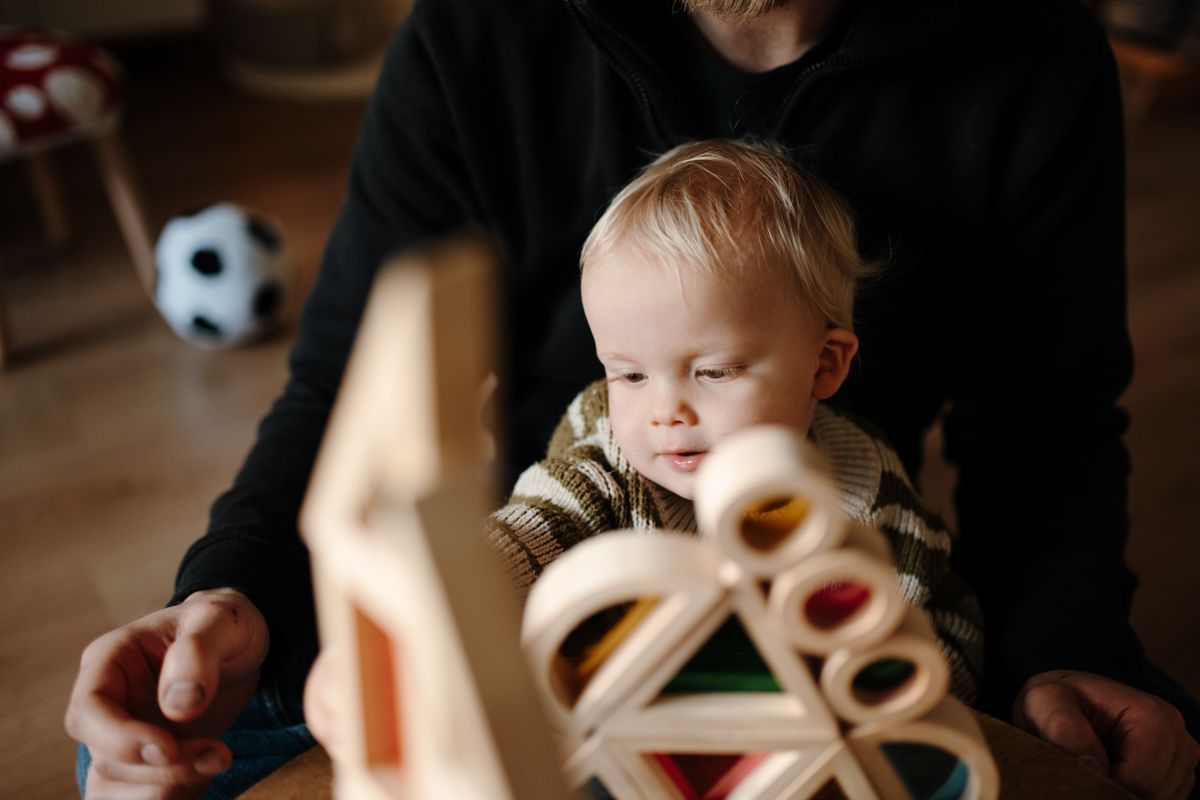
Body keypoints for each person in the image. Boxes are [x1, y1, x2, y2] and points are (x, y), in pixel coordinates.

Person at [65, 0, 1200, 798]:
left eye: (710, 373)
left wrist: (1060, 648)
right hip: (580, 683)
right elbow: (498, 507)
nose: (662, 411)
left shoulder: (863, 491)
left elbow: (1017, 481)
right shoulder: (603, 441)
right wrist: (266, 597)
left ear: (829, 366)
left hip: (795, 726)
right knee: (151, 747)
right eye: (630, 373)